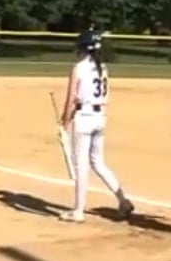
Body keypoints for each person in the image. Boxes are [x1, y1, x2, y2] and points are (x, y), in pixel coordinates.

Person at [57, 30, 136, 222]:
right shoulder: (102, 67)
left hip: (84, 118)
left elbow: (71, 100)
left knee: (81, 165)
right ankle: (123, 200)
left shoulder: (79, 68)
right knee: (98, 162)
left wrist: (64, 123)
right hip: (100, 116)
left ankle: (78, 211)